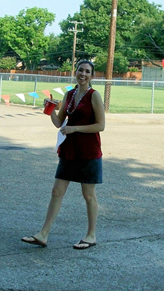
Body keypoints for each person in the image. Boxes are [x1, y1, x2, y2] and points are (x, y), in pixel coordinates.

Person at [21, 60, 105, 250]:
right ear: (75, 72)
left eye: (87, 72)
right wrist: (50, 109)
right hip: (69, 151)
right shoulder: (69, 94)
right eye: (80, 70)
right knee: (56, 191)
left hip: (89, 151)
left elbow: (101, 125)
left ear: (92, 76)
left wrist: (74, 128)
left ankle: (91, 235)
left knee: (88, 195)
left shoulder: (94, 96)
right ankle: (43, 234)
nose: (82, 74)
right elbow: (59, 123)